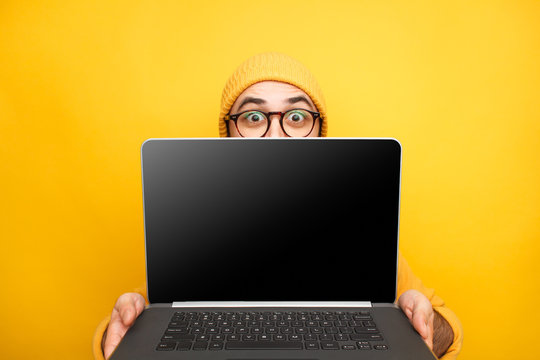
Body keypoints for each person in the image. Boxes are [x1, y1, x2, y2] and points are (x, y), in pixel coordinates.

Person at [93, 52, 463, 360]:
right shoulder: (194, 227)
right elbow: (118, 337)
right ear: (229, 133)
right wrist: (125, 320)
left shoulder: (362, 232)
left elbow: (447, 330)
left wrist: (415, 316)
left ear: (319, 131)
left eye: (296, 117)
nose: (274, 134)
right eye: (254, 117)